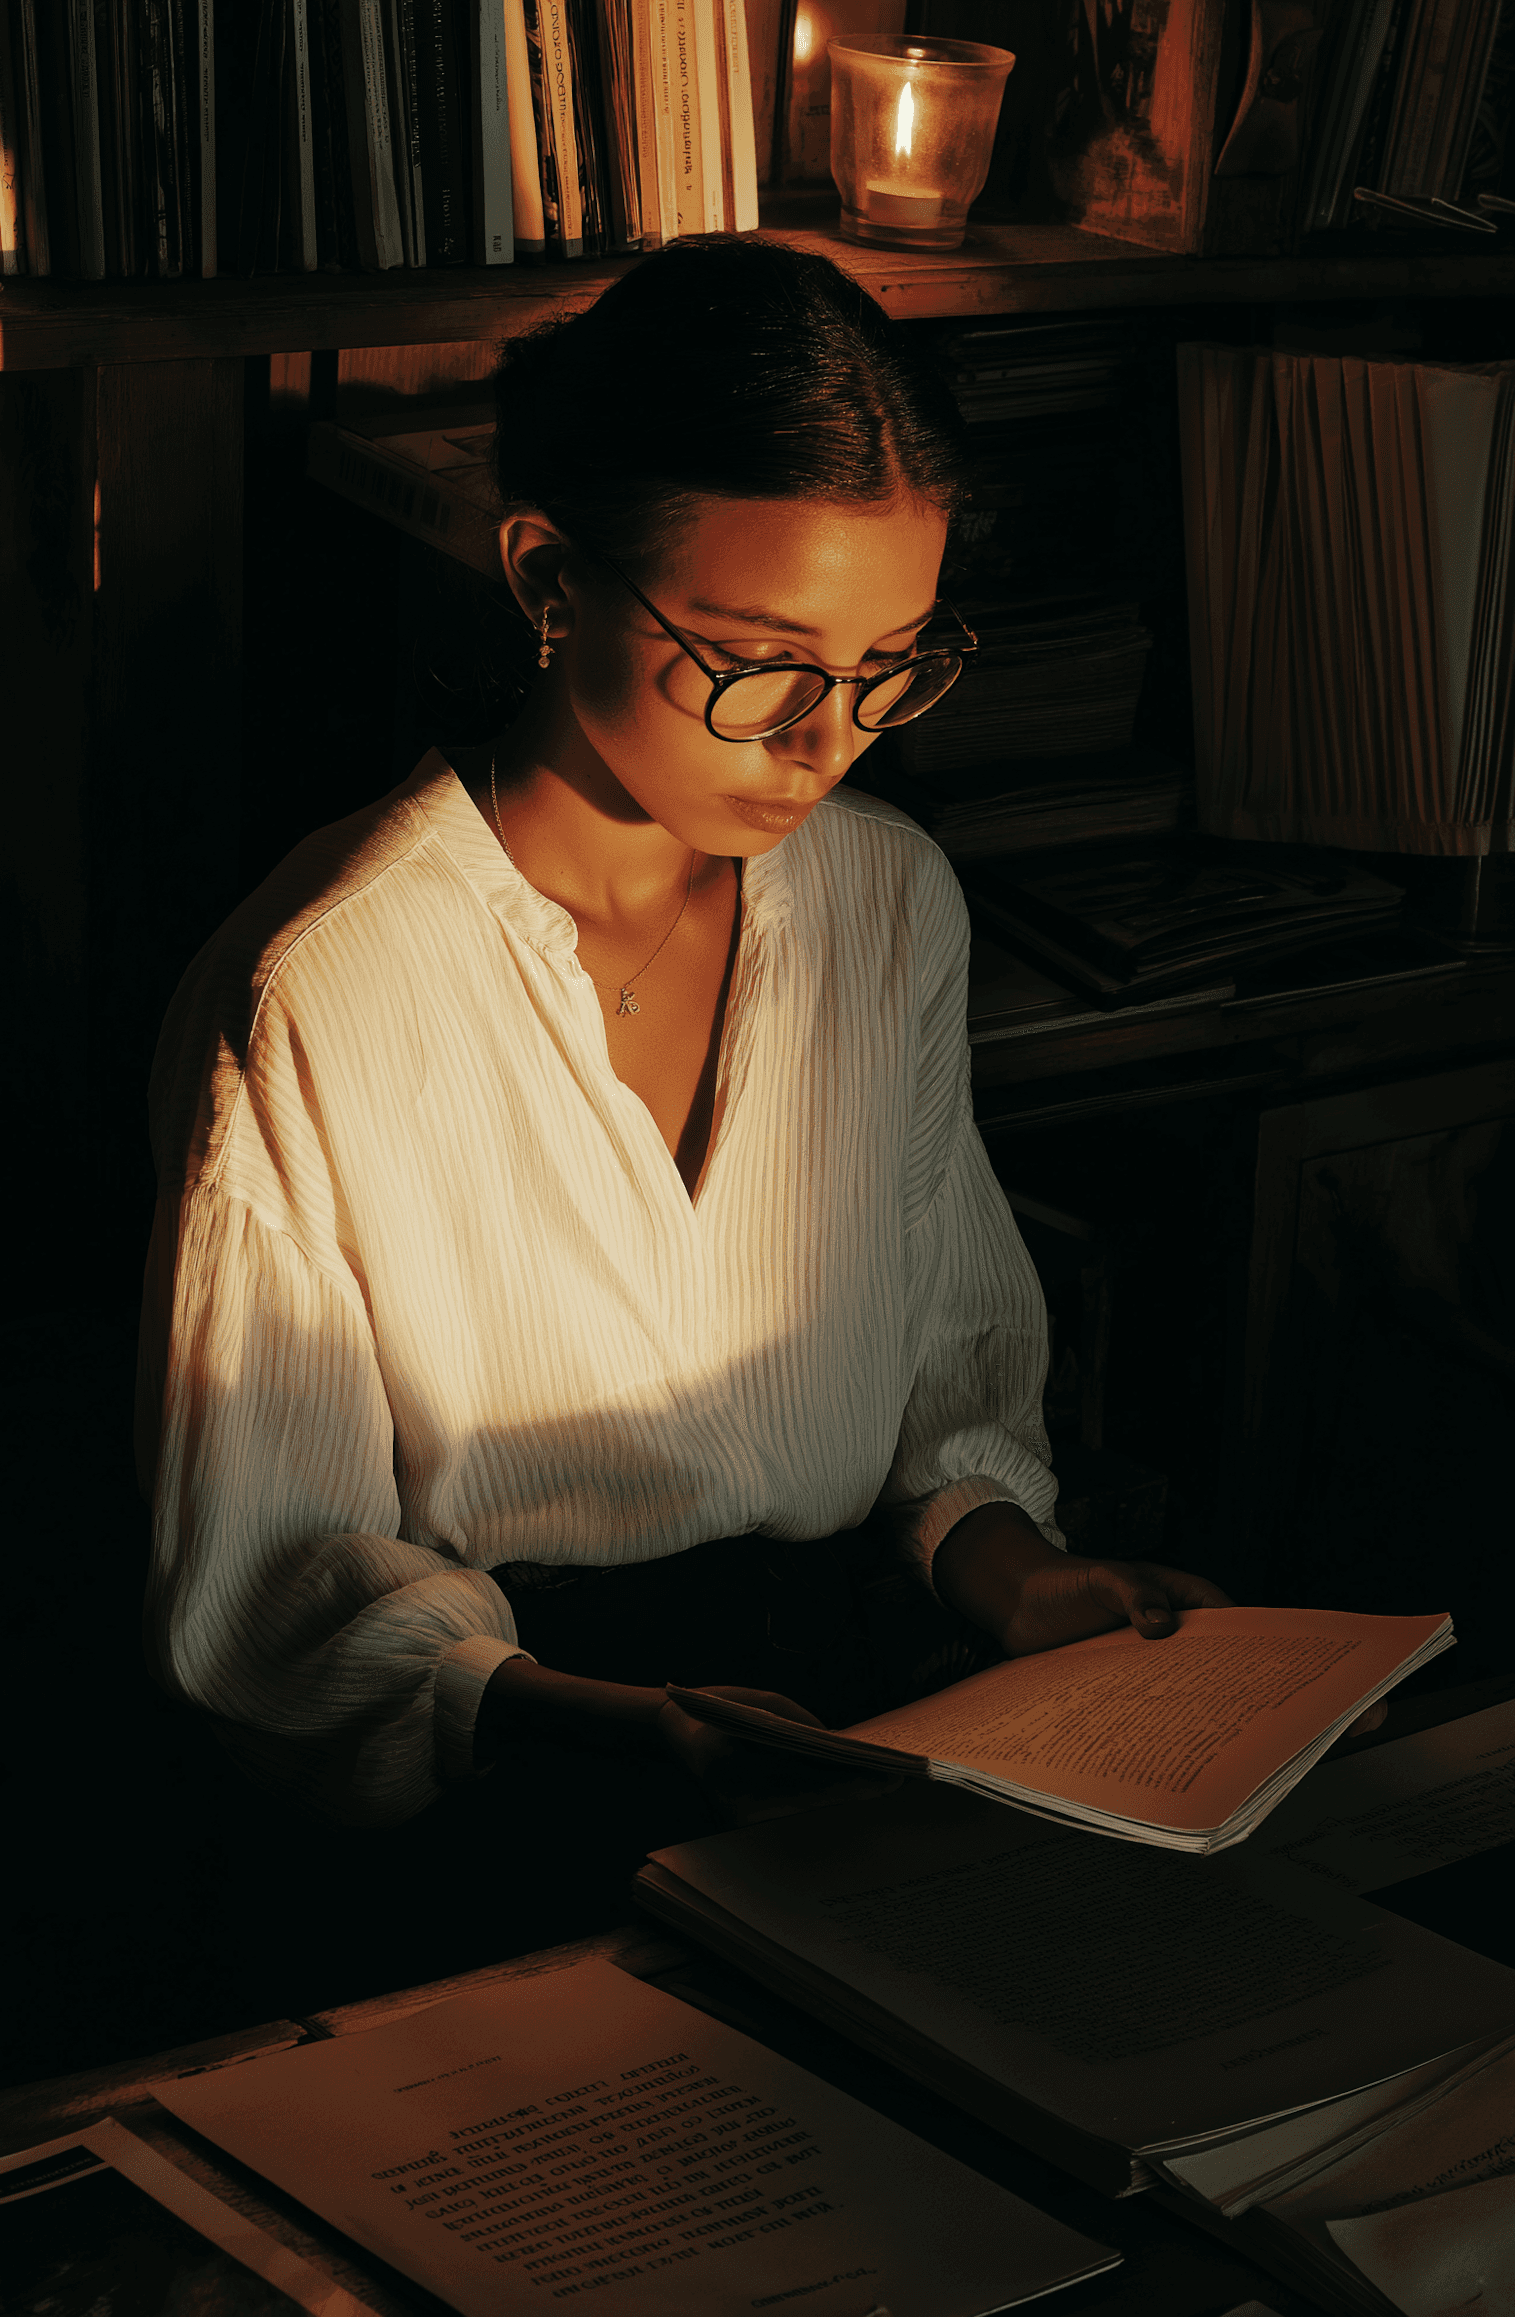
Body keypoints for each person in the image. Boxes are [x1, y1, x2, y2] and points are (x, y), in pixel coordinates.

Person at [137, 236, 1250, 1897]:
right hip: (504, 1793)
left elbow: (948, 1362)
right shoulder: (327, 985)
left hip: (860, 1715)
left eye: (888, 665)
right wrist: (621, 1728)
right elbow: (274, 1596)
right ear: (548, 579)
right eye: (758, 660)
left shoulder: (885, 902)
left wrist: (1012, 1570)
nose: (826, 738)